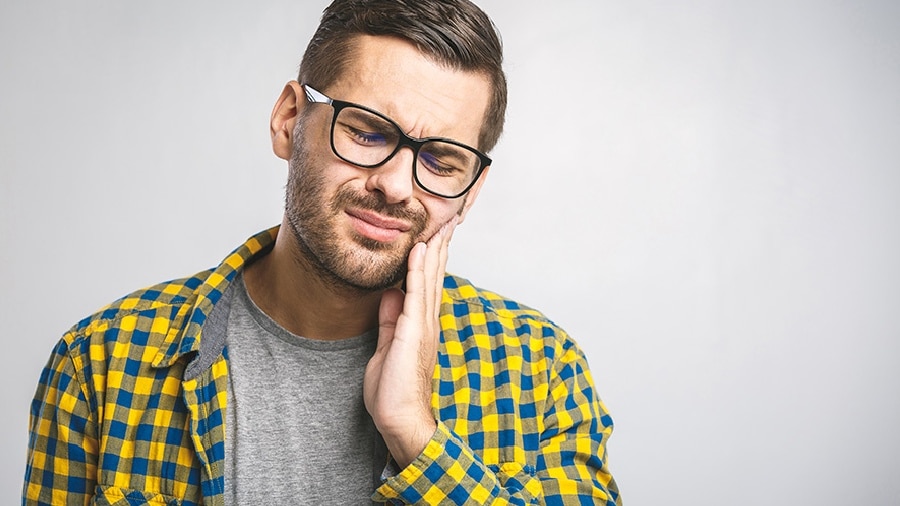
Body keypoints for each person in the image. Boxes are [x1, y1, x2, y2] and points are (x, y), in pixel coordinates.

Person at [23, 0, 621, 504]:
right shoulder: (100, 361)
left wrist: (416, 436)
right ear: (289, 120)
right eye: (366, 131)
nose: (396, 185)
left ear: (471, 191)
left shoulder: (542, 370)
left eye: (441, 160)